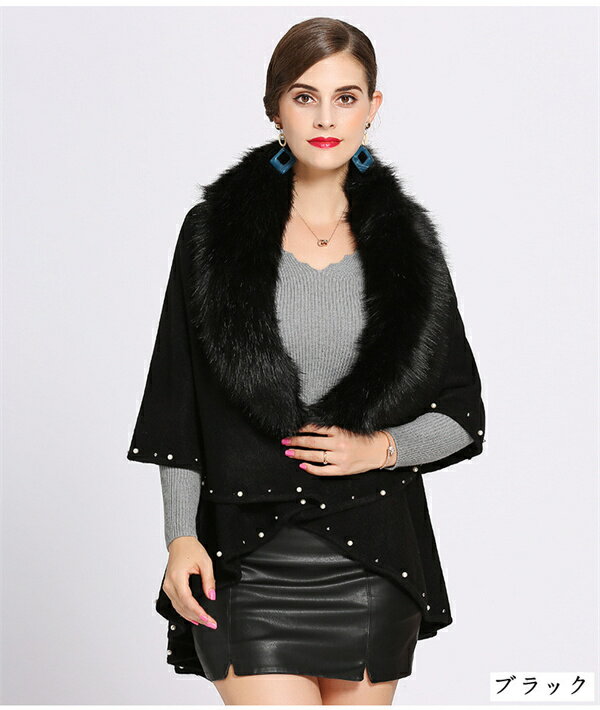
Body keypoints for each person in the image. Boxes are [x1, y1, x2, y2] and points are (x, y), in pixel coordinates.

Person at [127, 17, 486, 706]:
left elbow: (461, 413)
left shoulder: (409, 243)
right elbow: (178, 402)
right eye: (304, 97)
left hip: (373, 555)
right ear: (274, 108)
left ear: (372, 107)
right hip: (242, 556)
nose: (325, 118)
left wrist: (378, 448)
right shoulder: (212, 234)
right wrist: (179, 537)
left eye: (345, 98)